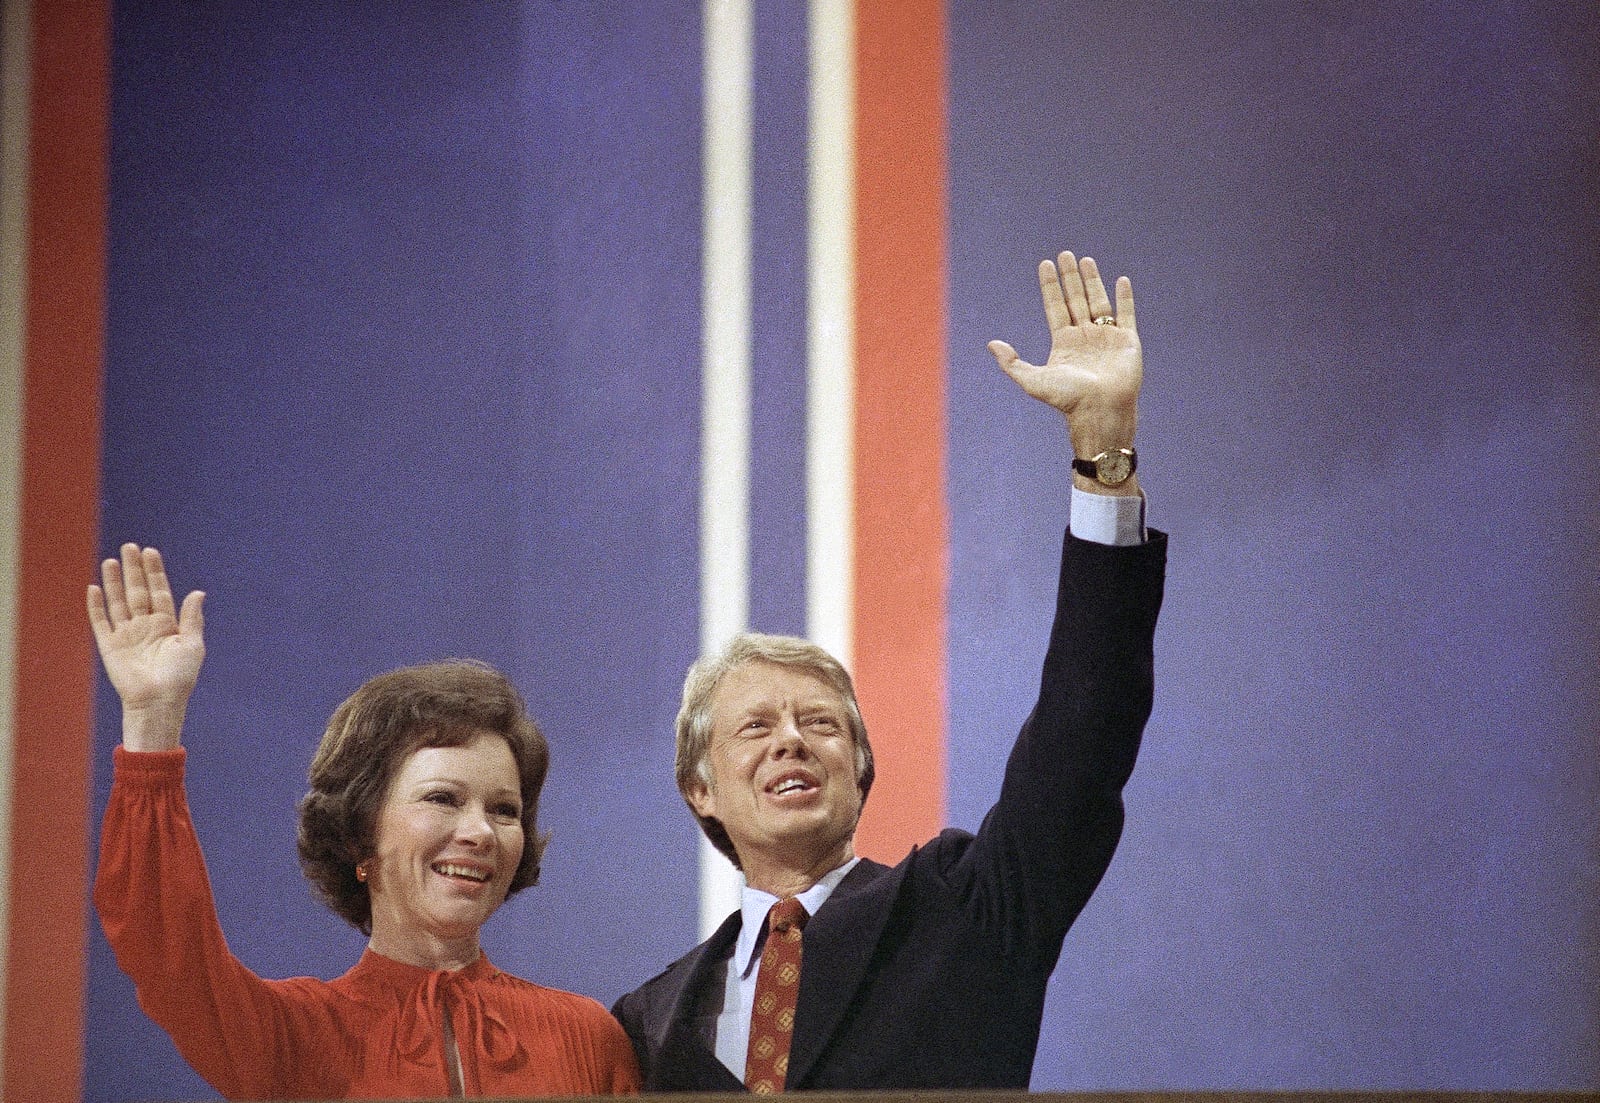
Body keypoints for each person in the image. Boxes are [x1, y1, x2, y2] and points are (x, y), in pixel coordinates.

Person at [612, 252, 1168, 1092]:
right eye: (756, 726)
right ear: (700, 786)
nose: (791, 740)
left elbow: (1082, 739)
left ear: (861, 766)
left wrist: (1103, 457)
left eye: (822, 722)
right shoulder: (642, 1023)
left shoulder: (966, 909)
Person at [89, 547, 641, 1100]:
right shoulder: (291, 1038)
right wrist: (152, 720)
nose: (480, 832)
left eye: (505, 810)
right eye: (444, 799)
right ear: (361, 829)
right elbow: (165, 947)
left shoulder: (588, 1038)